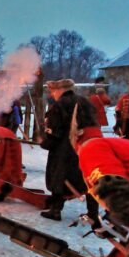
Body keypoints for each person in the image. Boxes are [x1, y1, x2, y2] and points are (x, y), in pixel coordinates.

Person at [39, 79, 99, 221]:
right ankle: (93, 213)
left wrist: (44, 142)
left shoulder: (60, 105)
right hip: (89, 145)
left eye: (53, 91)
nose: (52, 94)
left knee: (59, 177)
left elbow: (55, 132)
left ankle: (55, 211)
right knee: (88, 179)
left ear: (60, 90)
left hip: (66, 148)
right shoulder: (86, 101)